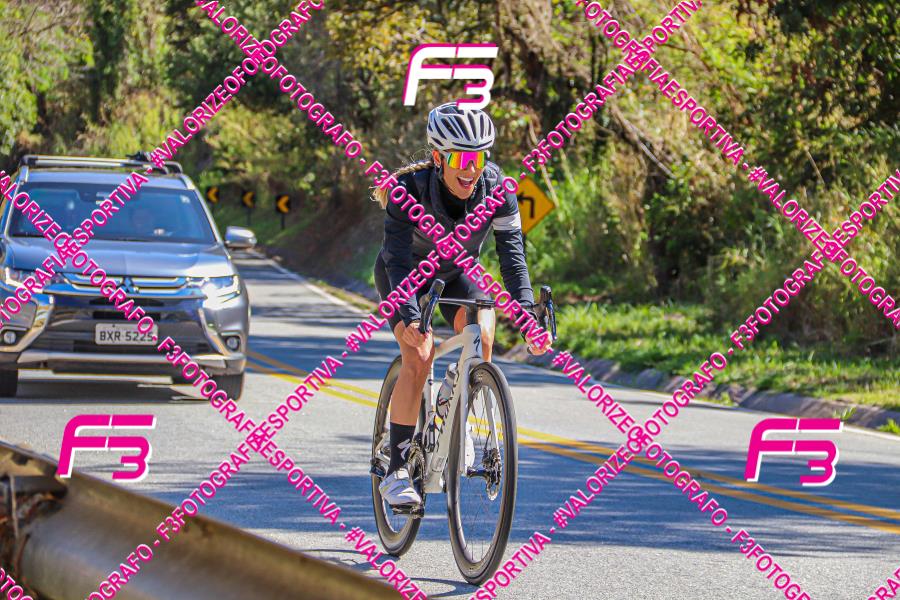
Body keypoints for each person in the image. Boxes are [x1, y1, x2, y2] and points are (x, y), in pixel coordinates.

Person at [372, 102, 548, 507]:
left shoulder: (498, 190)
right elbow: (396, 260)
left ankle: (459, 411)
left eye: (478, 158)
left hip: (456, 272)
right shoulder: (409, 190)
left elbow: (512, 258)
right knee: (420, 354)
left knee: (482, 334)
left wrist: (527, 315)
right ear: (438, 158)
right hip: (407, 276)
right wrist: (410, 315)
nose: (471, 169)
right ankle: (397, 470)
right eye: (460, 159)